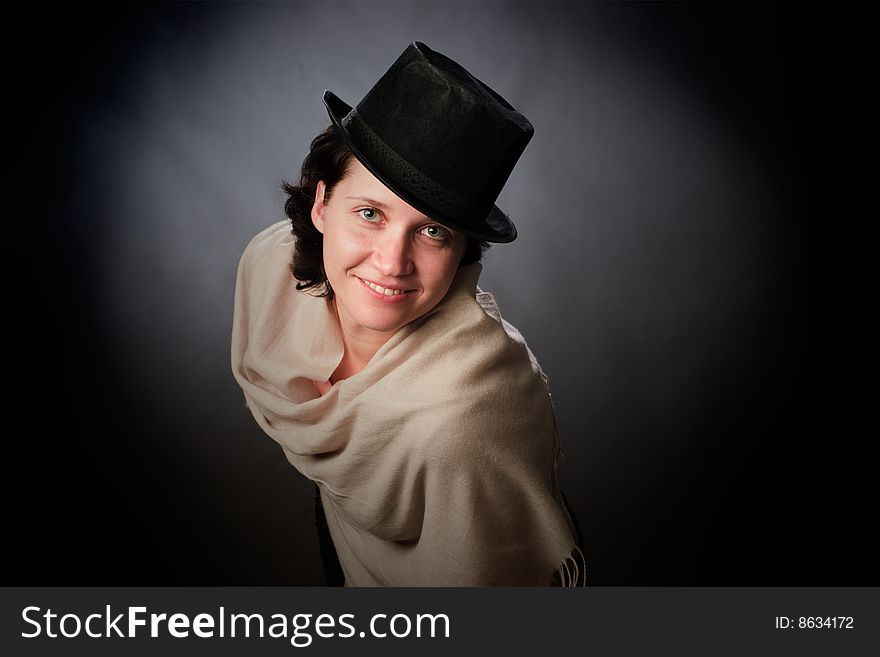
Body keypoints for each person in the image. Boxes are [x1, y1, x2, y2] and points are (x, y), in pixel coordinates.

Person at [231, 42, 585, 586]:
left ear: (462, 251)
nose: (392, 263)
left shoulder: (466, 423)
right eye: (370, 213)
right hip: (345, 539)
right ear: (321, 204)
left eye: (432, 230)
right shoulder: (270, 271)